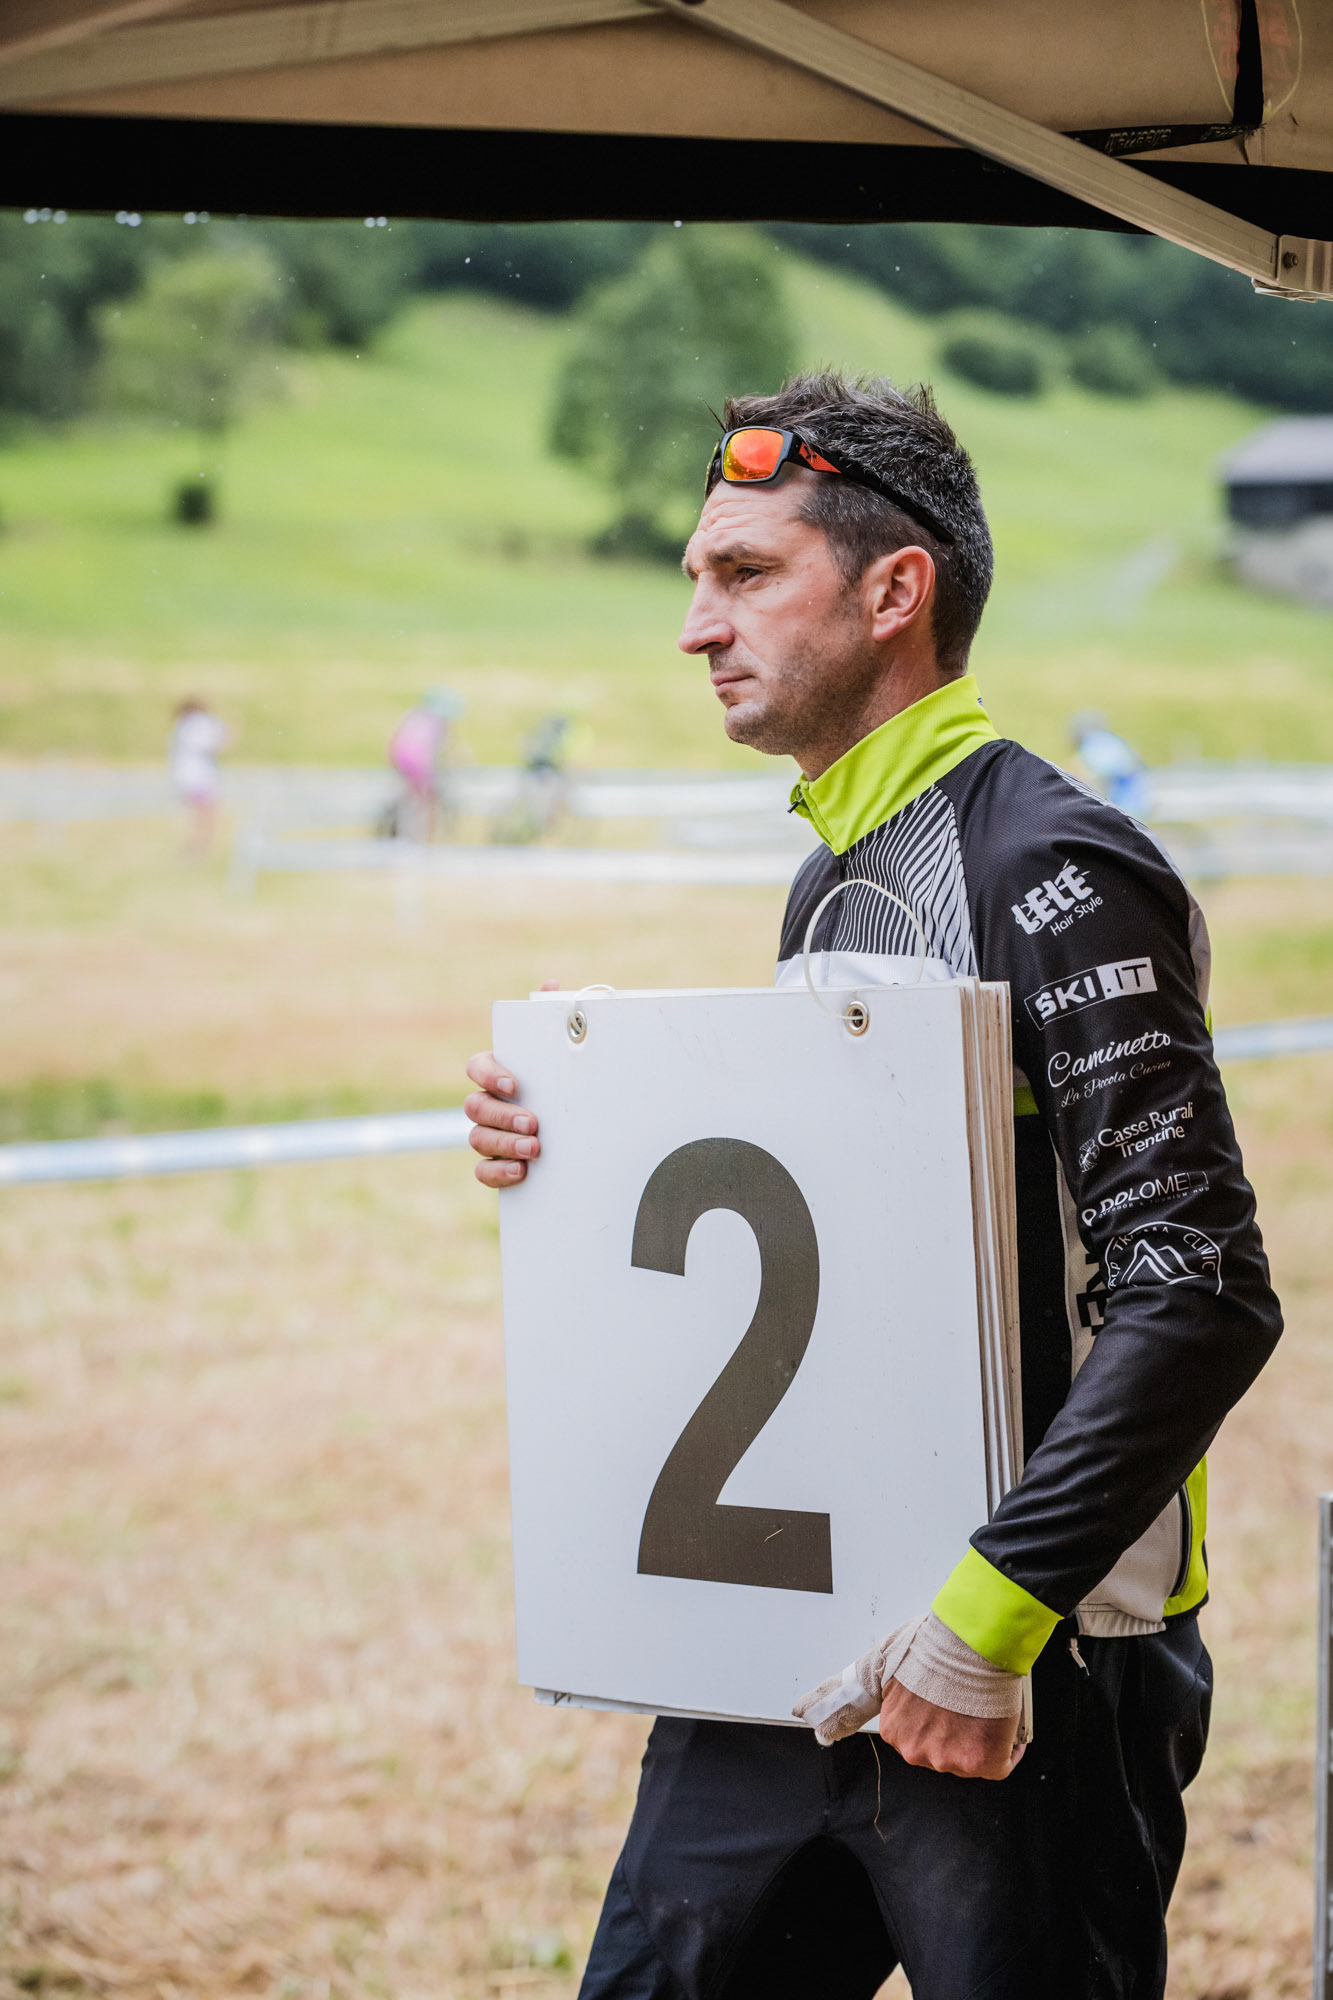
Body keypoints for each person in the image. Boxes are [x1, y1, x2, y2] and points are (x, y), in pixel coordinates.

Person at [464, 375, 1282, 1998]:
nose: (695, 626)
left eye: (745, 573)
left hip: (1026, 1666)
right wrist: (574, 1140)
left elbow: (1198, 1290)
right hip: (796, 1638)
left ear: (894, 589)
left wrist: (988, 1621)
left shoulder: (1052, 863)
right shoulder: (829, 868)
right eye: (698, 578)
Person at [387, 686, 463, 840]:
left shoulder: (414, 716)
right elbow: (434, 752)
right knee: (429, 801)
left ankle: (410, 834)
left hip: (401, 760)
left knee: (412, 799)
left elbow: (394, 740)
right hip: (419, 764)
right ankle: (426, 840)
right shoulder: (438, 724)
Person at [167, 696, 232, 854]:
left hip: (187, 777)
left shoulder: (183, 723)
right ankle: (198, 847)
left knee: (200, 813)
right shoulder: (198, 722)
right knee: (206, 813)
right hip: (199, 777)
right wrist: (229, 735)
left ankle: (197, 847)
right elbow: (212, 745)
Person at [1071, 709, 1150, 819]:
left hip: (1122, 806)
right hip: (1134, 805)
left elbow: (1106, 772)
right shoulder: (1113, 740)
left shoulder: (1095, 743)